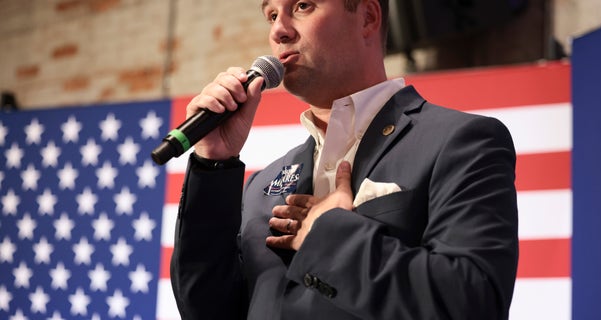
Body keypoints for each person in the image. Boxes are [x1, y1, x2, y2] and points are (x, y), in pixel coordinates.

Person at [170, 0, 519, 319]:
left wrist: (330, 236)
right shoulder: (264, 183)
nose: (279, 30)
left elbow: (474, 302)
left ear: (367, 17)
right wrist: (214, 165)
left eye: (302, 6)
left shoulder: (460, 141)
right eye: (272, 14)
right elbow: (207, 310)